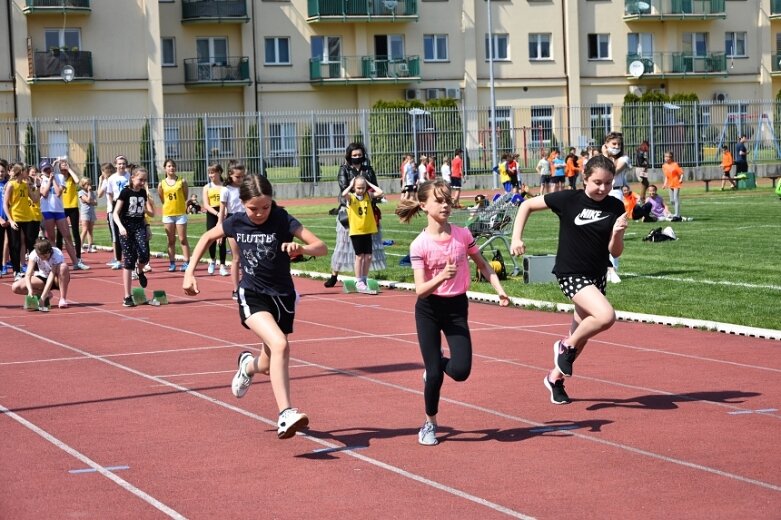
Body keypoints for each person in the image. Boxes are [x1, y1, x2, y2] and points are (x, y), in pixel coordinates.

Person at [183, 174, 327, 440]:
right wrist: (189, 272)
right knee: (281, 344)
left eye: (265, 207)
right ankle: (286, 413)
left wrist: (301, 249)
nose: (260, 213)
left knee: (268, 360)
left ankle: (247, 366)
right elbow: (206, 238)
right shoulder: (235, 222)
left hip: (282, 297)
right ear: (243, 203)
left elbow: (321, 247)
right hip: (252, 295)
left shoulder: (283, 219)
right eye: (253, 208)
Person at [395, 179, 510, 446]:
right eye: (439, 200)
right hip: (429, 309)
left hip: (457, 308)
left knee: (460, 371)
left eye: (448, 199)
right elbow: (420, 290)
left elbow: (483, 264)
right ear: (424, 205)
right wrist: (442, 277)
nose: (446, 205)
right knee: (434, 374)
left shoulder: (463, 235)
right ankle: (429, 423)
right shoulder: (419, 245)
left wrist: (499, 289)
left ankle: (436, 362)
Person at [511, 155, 627, 405]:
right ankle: (565, 345)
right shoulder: (568, 199)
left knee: (582, 332)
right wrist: (516, 238)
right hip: (571, 273)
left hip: (597, 274)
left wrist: (617, 234)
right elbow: (526, 206)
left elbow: (615, 252)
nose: (602, 188)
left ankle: (555, 379)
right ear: (584, 178)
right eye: (597, 182)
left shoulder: (615, 207)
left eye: (608, 183)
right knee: (605, 317)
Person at [324, 143, 387, 288]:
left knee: (367, 248)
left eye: (359, 155)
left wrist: (368, 194)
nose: (357, 158)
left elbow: (374, 188)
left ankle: (362, 277)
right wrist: (357, 192)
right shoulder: (344, 169)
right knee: (343, 244)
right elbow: (343, 188)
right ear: (349, 156)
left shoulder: (368, 170)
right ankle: (334, 274)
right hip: (349, 211)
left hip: (367, 211)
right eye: (354, 155)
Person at [113, 167, 154, 307]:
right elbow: (115, 213)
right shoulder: (125, 192)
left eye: (144, 180)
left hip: (139, 226)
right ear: (132, 178)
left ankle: (140, 270)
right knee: (128, 260)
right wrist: (121, 227)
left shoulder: (143, 193)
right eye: (140, 179)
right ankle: (127, 296)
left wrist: (147, 227)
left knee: (144, 255)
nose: (142, 182)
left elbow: (145, 214)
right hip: (125, 228)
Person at [38, 160, 85, 270]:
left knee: (67, 236)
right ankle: (55, 261)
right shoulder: (41, 179)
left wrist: (53, 179)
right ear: (42, 171)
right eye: (45, 169)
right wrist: (48, 180)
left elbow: (59, 192)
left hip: (59, 210)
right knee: (51, 238)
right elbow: (44, 194)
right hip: (47, 210)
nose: (48, 170)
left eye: (49, 168)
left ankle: (75, 262)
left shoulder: (60, 177)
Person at [341, 175, 384, 293]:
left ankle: (364, 277)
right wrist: (350, 185)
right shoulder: (351, 197)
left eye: (363, 187)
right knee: (359, 257)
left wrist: (369, 184)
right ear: (354, 188)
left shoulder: (368, 196)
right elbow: (344, 194)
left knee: (368, 256)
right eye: (358, 188)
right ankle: (358, 280)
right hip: (356, 231)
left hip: (367, 230)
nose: (361, 190)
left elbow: (380, 192)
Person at [602, 132, 631, 284]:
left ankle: (614, 267)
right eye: (613, 144)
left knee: (616, 229)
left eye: (618, 144)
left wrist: (606, 156)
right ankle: (606, 268)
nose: (616, 147)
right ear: (606, 144)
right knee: (603, 231)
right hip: (602, 193)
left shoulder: (623, 159)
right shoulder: (602, 157)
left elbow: (613, 171)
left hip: (616, 192)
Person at [11, 238, 71, 310]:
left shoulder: (56, 253)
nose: (43, 258)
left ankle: (62, 298)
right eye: (40, 256)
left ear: (50, 251)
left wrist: (43, 297)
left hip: (56, 279)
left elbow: (51, 276)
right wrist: (30, 290)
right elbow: (28, 274)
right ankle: (47, 294)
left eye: (45, 256)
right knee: (15, 287)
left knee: (63, 267)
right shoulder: (33, 254)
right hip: (42, 277)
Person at [4, 163, 40, 281]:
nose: (28, 173)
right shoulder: (11, 185)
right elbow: (5, 204)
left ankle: (34, 269)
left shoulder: (25, 185)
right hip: (15, 218)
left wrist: (38, 186)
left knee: (31, 243)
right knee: (15, 245)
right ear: (21, 172)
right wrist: (10, 220)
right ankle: (16, 271)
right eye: (26, 171)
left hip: (27, 218)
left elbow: (34, 199)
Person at [158, 159, 191, 272]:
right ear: (165, 168)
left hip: (180, 214)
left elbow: (185, 196)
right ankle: (172, 263)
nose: (171, 168)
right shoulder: (161, 183)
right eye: (169, 166)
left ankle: (187, 262)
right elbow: (162, 198)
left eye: (173, 166)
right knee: (170, 240)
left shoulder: (182, 181)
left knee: (182, 239)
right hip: (168, 214)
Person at [219, 163, 247, 300]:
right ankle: (236, 289)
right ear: (230, 175)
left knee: (249, 256)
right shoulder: (226, 190)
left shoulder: (246, 188)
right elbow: (222, 210)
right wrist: (220, 229)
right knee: (236, 257)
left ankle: (249, 285)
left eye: (242, 176)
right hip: (232, 222)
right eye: (237, 176)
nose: (240, 179)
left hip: (247, 221)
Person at [55, 158, 86, 269]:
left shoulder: (71, 178)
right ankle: (57, 258)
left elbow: (78, 181)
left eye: (65, 166)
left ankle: (78, 258)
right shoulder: (58, 178)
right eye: (61, 167)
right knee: (59, 234)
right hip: (61, 208)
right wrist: (57, 165)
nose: (63, 169)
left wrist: (69, 169)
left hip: (72, 207)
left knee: (75, 232)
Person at [104, 156, 131, 270]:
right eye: (119, 164)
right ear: (115, 165)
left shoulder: (129, 176)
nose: (121, 165)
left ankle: (129, 258)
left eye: (123, 163)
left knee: (128, 232)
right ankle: (118, 260)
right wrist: (112, 206)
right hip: (116, 204)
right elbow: (110, 193)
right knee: (117, 232)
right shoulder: (111, 178)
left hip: (128, 204)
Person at [202, 163, 229, 276]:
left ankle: (222, 265)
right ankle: (213, 260)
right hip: (212, 214)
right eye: (209, 173)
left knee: (222, 240)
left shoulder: (225, 186)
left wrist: (224, 213)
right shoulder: (207, 187)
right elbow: (206, 205)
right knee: (212, 239)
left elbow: (228, 202)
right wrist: (218, 213)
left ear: (219, 172)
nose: (211, 175)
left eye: (213, 172)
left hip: (224, 213)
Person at [78, 177, 98, 253]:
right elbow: (88, 200)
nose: (89, 186)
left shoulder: (92, 192)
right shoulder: (81, 192)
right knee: (85, 229)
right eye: (87, 184)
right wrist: (89, 194)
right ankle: (80, 246)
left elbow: (95, 202)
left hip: (92, 212)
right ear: (83, 185)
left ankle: (90, 246)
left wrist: (91, 200)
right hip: (85, 212)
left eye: (90, 184)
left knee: (90, 230)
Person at [662, 150, 683, 218]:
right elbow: (666, 176)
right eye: (665, 157)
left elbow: (681, 173)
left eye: (668, 157)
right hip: (670, 184)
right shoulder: (664, 166)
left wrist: (681, 179)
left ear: (671, 158)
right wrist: (665, 184)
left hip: (676, 183)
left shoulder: (675, 164)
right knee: (671, 200)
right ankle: (677, 213)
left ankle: (677, 214)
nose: (667, 158)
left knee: (676, 198)